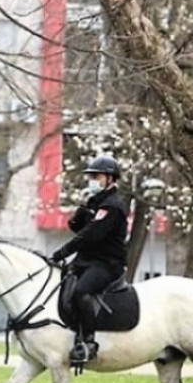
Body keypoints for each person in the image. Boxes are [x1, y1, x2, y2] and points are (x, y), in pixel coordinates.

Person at [50, 156, 128, 364]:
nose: (92, 180)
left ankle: (89, 343)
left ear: (110, 178)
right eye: (90, 176)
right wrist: (82, 211)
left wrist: (60, 253)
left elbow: (89, 236)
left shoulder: (113, 206)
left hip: (107, 264)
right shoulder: (97, 202)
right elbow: (77, 227)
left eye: (96, 176)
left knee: (81, 291)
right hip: (87, 261)